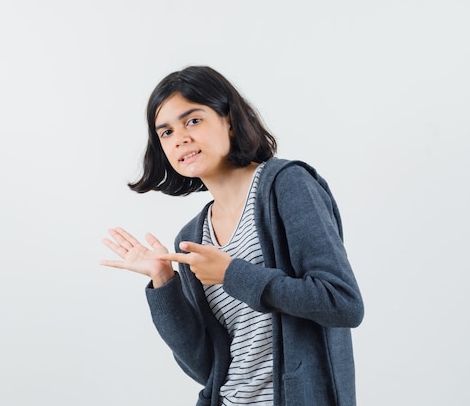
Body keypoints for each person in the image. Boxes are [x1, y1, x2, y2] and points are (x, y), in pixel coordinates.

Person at [100, 65, 364, 406]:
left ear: (230, 120)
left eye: (193, 120)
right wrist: (164, 281)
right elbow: (208, 367)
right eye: (165, 132)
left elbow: (343, 303)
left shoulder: (286, 185)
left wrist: (231, 274)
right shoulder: (193, 235)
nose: (180, 137)